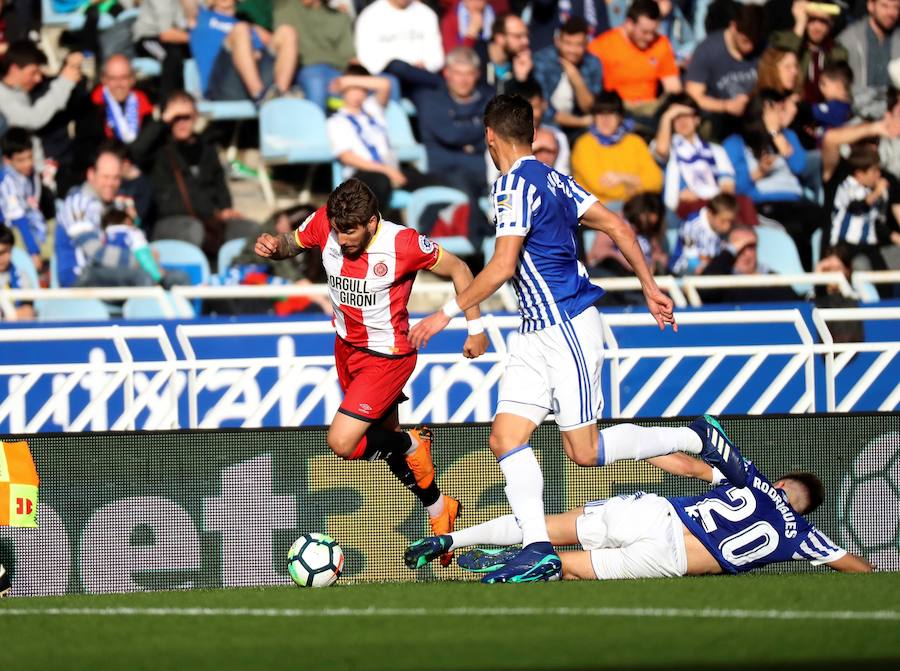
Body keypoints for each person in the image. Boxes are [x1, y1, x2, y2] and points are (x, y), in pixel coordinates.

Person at [408, 94, 738, 584]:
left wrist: (444, 314)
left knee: (583, 452)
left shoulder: (513, 186)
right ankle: (538, 548)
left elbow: (501, 266)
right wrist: (649, 285)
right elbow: (619, 225)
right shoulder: (554, 177)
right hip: (533, 331)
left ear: (489, 136)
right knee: (506, 437)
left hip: (565, 326)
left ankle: (697, 436)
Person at [254, 178, 489, 566]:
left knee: (343, 442)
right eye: (337, 231)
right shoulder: (324, 224)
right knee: (388, 438)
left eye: (350, 233)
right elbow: (289, 244)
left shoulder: (403, 244)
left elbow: (461, 269)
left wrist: (475, 327)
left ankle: (415, 444)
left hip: (388, 356)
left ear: (371, 222)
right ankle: (438, 508)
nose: (342, 241)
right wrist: (273, 246)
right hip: (346, 348)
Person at [405, 417, 875, 579]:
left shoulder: (753, 482)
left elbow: (693, 455)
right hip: (670, 560)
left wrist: (637, 450)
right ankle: (519, 564)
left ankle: (454, 539)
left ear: (783, 481)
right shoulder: (801, 535)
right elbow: (854, 567)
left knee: (548, 527)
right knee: (565, 566)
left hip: (656, 512)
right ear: (805, 508)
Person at [129, 90, 257, 256]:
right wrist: (163, 119)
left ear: (195, 116)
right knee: (194, 230)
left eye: (186, 117)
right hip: (170, 222)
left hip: (208, 221)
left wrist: (225, 208)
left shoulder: (207, 147)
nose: (181, 123)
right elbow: (136, 151)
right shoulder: (159, 149)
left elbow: (219, 182)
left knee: (251, 230)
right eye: (176, 118)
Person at [722, 89, 824, 271]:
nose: (780, 115)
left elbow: (799, 167)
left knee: (823, 220)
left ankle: (826, 279)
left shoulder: (788, 136)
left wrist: (776, 135)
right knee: (796, 228)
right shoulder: (736, 142)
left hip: (797, 200)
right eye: (775, 110)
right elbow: (736, 188)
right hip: (766, 204)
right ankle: (807, 283)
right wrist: (759, 172)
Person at [326, 65, 444, 216]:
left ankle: (433, 230)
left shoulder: (372, 109)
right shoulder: (336, 121)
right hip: (363, 174)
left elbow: (385, 84)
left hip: (391, 170)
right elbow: (347, 157)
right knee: (380, 183)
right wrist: (386, 171)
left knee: (437, 183)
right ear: (344, 91)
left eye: (361, 89)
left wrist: (347, 80)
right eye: (352, 89)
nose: (357, 94)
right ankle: (374, 231)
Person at [417, 47, 493, 247]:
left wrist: (472, 142)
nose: (463, 80)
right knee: (465, 187)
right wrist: (479, 134)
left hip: (485, 172)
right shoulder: (431, 99)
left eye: (468, 74)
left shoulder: (488, 98)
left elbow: (495, 132)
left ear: (477, 74)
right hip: (445, 173)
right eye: (458, 73)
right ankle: (480, 242)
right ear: (447, 73)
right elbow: (451, 134)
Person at [190, 0, 297, 104]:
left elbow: (273, 45)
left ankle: (280, 96)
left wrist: (255, 51)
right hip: (221, 88)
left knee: (287, 32)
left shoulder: (247, 26)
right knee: (240, 29)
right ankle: (260, 95)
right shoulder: (199, 17)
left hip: (254, 81)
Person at [571, 91, 663, 209]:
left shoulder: (635, 141)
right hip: (600, 210)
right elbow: (600, 186)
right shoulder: (584, 144)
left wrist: (623, 178)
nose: (605, 119)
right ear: (594, 117)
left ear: (620, 117)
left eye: (611, 114)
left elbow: (656, 181)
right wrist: (636, 183)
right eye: (600, 114)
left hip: (635, 206)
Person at [685, 2, 764, 140]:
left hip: (755, 118)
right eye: (745, 41)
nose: (750, 47)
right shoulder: (707, 50)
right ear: (733, 27)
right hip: (719, 120)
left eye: (754, 41)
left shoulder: (762, 48)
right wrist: (726, 106)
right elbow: (693, 97)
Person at [653, 93, 738, 219]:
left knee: (743, 203)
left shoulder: (716, 150)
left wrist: (702, 194)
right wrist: (667, 116)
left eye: (686, 115)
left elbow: (728, 186)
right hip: (681, 209)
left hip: (715, 207)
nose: (682, 121)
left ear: (697, 119)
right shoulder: (668, 146)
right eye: (676, 117)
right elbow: (661, 150)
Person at [588, 0, 681, 114]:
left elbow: (673, 87)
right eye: (645, 32)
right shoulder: (601, 46)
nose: (650, 37)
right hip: (616, 108)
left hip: (650, 109)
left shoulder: (661, 43)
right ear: (629, 24)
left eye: (653, 32)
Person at [273, 0, 355, 111]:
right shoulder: (286, 6)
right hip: (306, 69)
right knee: (316, 83)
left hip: (337, 71)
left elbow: (350, 57)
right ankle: (314, 127)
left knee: (379, 83)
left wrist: (357, 79)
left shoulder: (340, 17)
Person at [353, 0, 444, 100]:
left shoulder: (426, 14)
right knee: (397, 66)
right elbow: (366, 59)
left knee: (429, 100)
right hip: (387, 77)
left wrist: (427, 64)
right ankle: (444, 85)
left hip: (420, 77)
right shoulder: (370, 15)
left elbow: (437, 57)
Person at [532, 16, 603, 141]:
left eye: (578, 45)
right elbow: (544, 109)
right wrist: (580, 122)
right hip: (547, 126)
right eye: (568, 43)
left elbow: (590, 107)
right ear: (558, 41)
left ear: (586, 44)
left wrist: (576, 79)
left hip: (581, 130)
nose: (573, 51)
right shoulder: (542, 61)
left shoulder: (593, 63)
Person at [827, 143, 892, 274]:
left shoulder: (872, 192)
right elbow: (856, 207)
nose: (878, 175)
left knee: (882, 273)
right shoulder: (846, 186)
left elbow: (877, 221)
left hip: (868, 244)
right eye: (874, 171)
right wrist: (876, 193)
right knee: (859, 265)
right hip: (845, 244)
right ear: (859, 174)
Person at [770, 1, 848, 105]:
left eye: (823, 21)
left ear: (831, 24)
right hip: (794, 109)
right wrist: (800, 24)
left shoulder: (836, 51)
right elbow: (783, 58)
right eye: (812, 20)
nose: (817, 27)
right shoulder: (787, 41)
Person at [699, 225, 801, 304]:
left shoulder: (774, 280)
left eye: (751, 247)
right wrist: (730, 251)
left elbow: (798, 306)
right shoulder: (723, 281)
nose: (747, 254)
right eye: (740, 248)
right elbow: (704, 291)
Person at [0, 41, 83, 135]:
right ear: (14, 69)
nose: (38, 79)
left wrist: (69, 66)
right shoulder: (2, 97)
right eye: (33, 73)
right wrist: (65, 82)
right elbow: (34, 118)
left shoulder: (21, 90)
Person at [838, 0, 900, 119]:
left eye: (896, 7)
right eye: (885, 6)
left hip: (893, 118)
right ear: (871, 6)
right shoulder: (848, 39)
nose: (891, 12)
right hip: (856, 116)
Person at [0, 128, 51, 270]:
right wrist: (33, 252)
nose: (28, 163)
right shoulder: (7, 182)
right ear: (7, 160)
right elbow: (19, 220)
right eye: (21, 160)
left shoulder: (29, 175)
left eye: (30, 157)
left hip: (33, 226)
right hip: (11, 232)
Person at [134, 0, 195, 100]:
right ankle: (167, 102)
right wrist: (199, 39)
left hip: (172, 40)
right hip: (148, 39)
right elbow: (166, 34)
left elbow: (182, 25)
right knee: (171, 57)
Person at [669, 192, 739, 275]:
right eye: (723, 221)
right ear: (710, 214)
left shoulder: (725, 229)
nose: (727, 226)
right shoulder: (691, 225)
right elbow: (692, 261)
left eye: (730, 222)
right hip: (683, 273)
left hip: (712, 272)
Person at [476, 12, 533, 94]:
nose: (526, 41)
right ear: (500, 38)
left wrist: (521, 80)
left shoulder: (525, 64)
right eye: (518, 36)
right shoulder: (476, 58)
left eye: (526, 36)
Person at [0, 223, 36, 321]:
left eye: (7, 251)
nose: (3, 258)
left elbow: (28, 312)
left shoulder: (21, 276)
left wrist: (6, 315)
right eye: (0, 253)